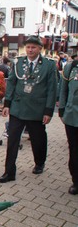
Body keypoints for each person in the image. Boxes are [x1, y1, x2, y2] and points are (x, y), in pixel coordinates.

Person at [0, 35, 57, 183]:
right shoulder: (18, 62)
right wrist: (7, 104)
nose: (30, 50)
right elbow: (11, 83)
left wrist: (48, 111)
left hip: (37, 109)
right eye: (28, 47)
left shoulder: (48, 65)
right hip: (18, 107)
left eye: (33, 47)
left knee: (38, 139)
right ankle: (9, 172)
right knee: (12, 141)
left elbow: (52, 89)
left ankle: (39, 162)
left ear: (40, 49)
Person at [58, 59, 78, 195]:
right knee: (75, 149)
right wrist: (62, 109)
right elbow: (63, 90)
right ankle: (76, 180)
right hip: (72, 116)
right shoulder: (71, 67)